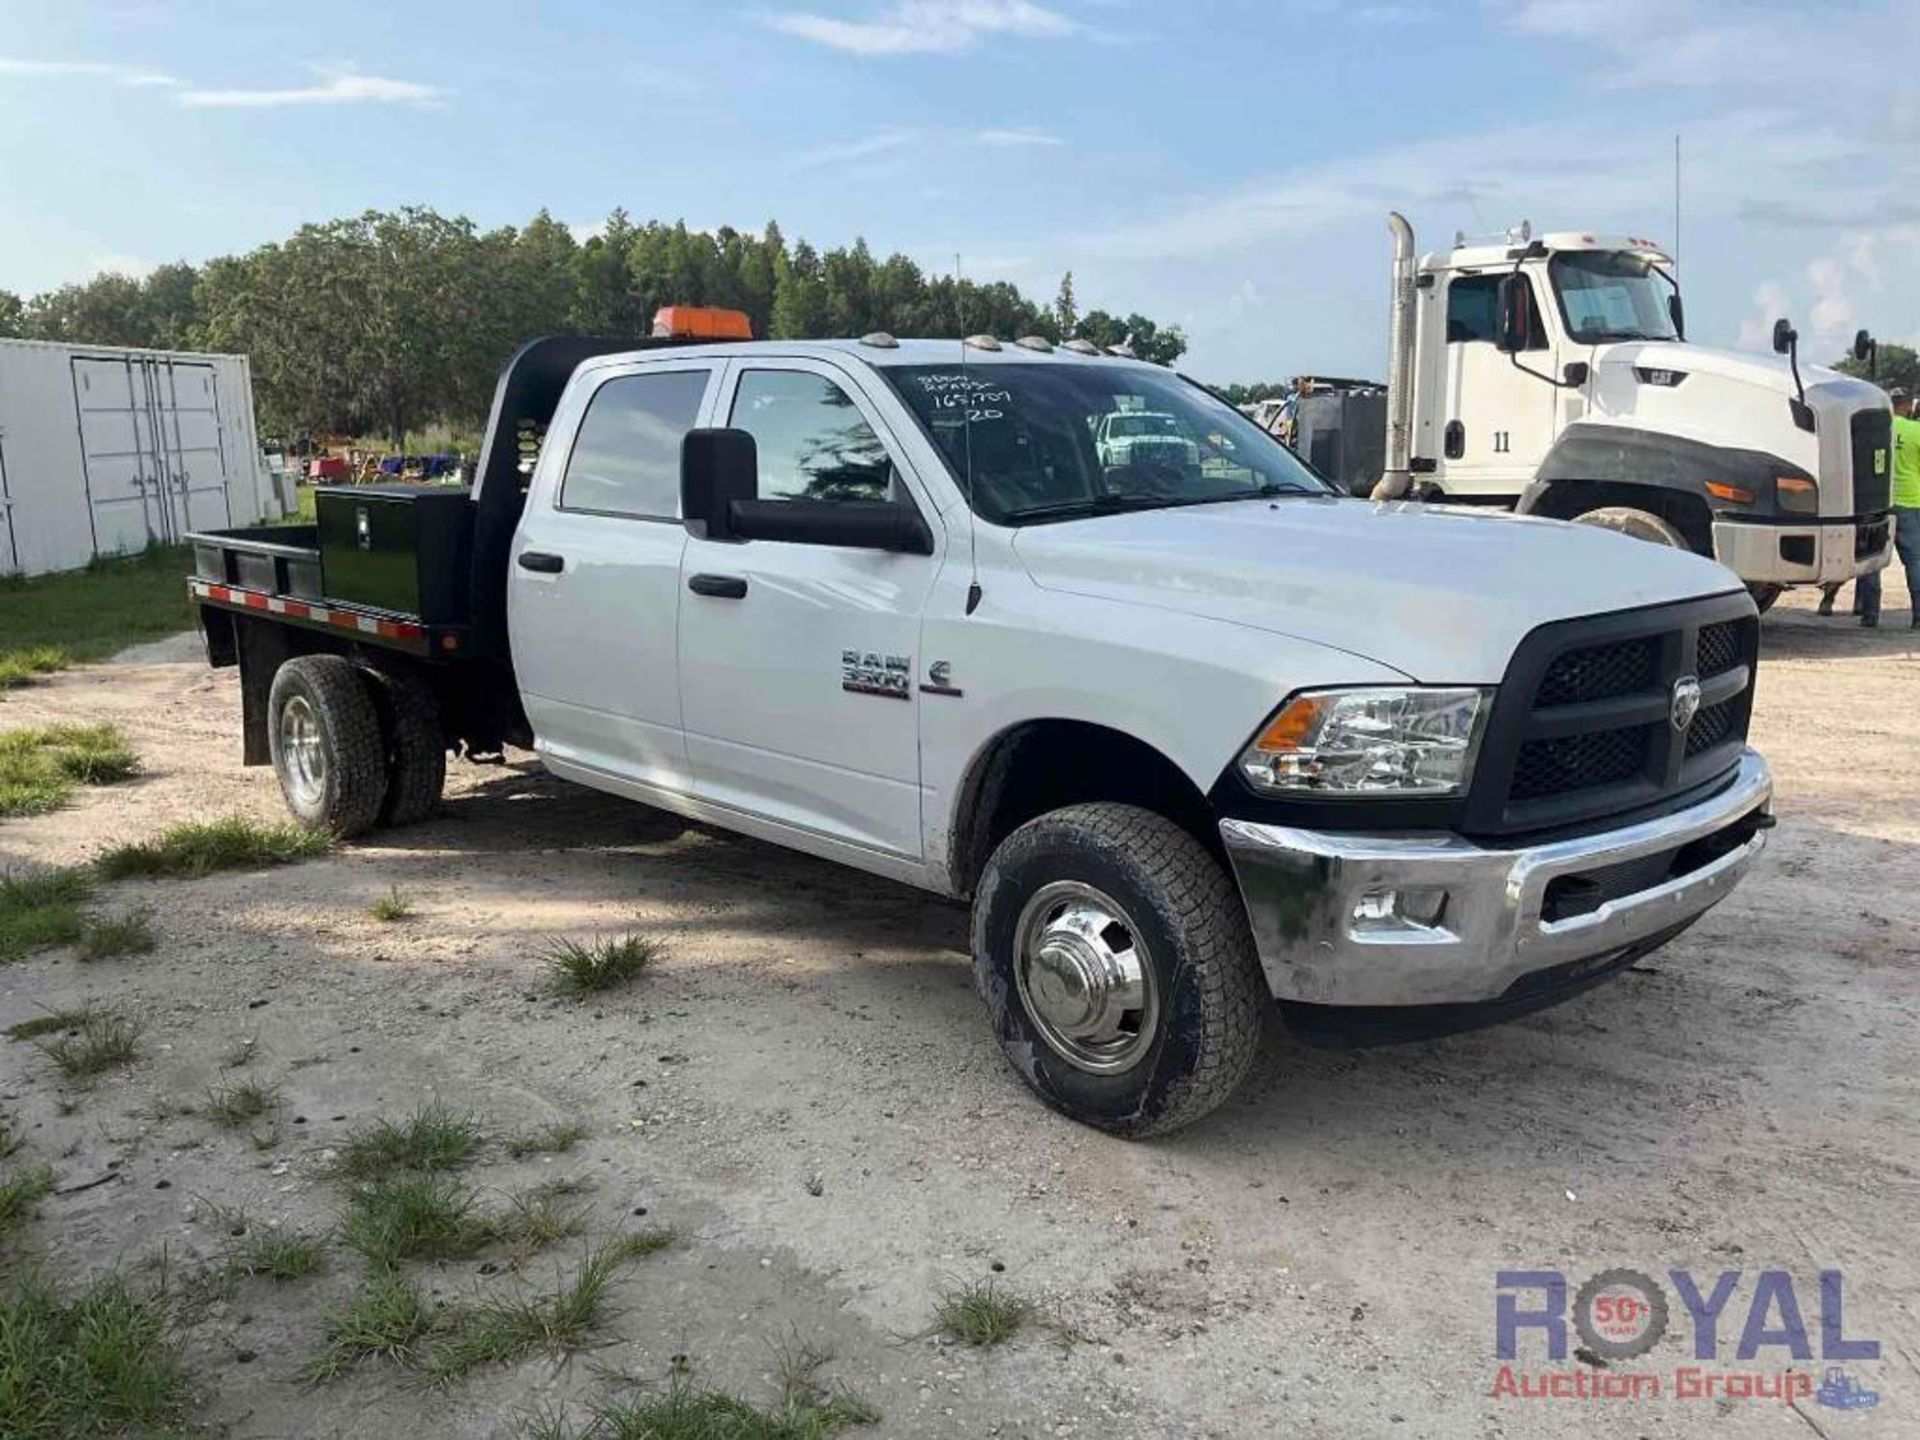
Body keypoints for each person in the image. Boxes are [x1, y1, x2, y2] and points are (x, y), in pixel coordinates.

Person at [1883, 390, 1920, 628]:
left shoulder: (1879, 428)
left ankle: (1867, 613)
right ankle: (1918, 615)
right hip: (1911, 500)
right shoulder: (1916, 430)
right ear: (1907, 405)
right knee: (1915, 559)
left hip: (1880, 502)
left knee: (1870, 561)